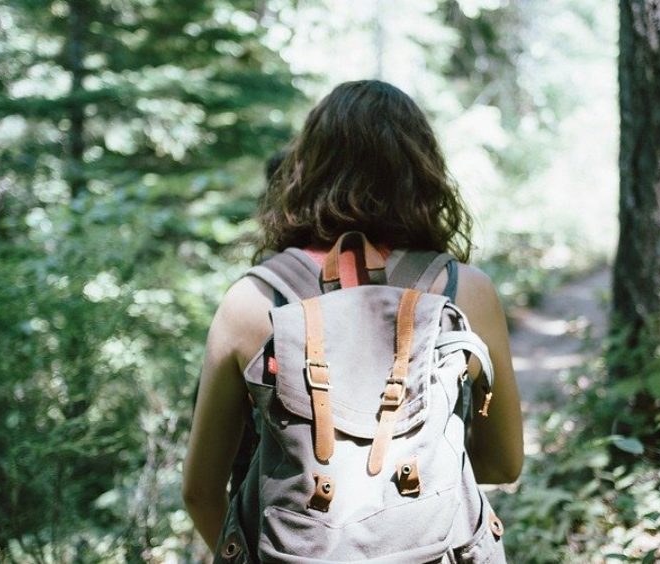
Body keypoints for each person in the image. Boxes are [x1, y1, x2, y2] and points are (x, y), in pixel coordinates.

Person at [181, 79, 523, 556]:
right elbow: (504, 464)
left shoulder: (252, 300)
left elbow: (200, 490)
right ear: (421, 173)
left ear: (306, 168)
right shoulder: (465, 291)